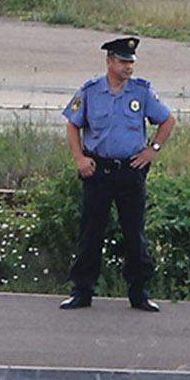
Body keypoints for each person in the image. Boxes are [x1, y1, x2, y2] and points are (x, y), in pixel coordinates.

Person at [62, 36, 174, 312]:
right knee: (91, 231)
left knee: (134, 233)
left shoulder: (141, 91)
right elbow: (73, 124)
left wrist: (153, 149)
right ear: (110, 61)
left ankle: (139, 291)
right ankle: (82, 290)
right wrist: (79, 158)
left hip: (129, 171)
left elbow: (167, 120)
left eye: (131, 63)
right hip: (99, 170)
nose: (129, 68)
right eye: (123, 62)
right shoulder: (90, 91)